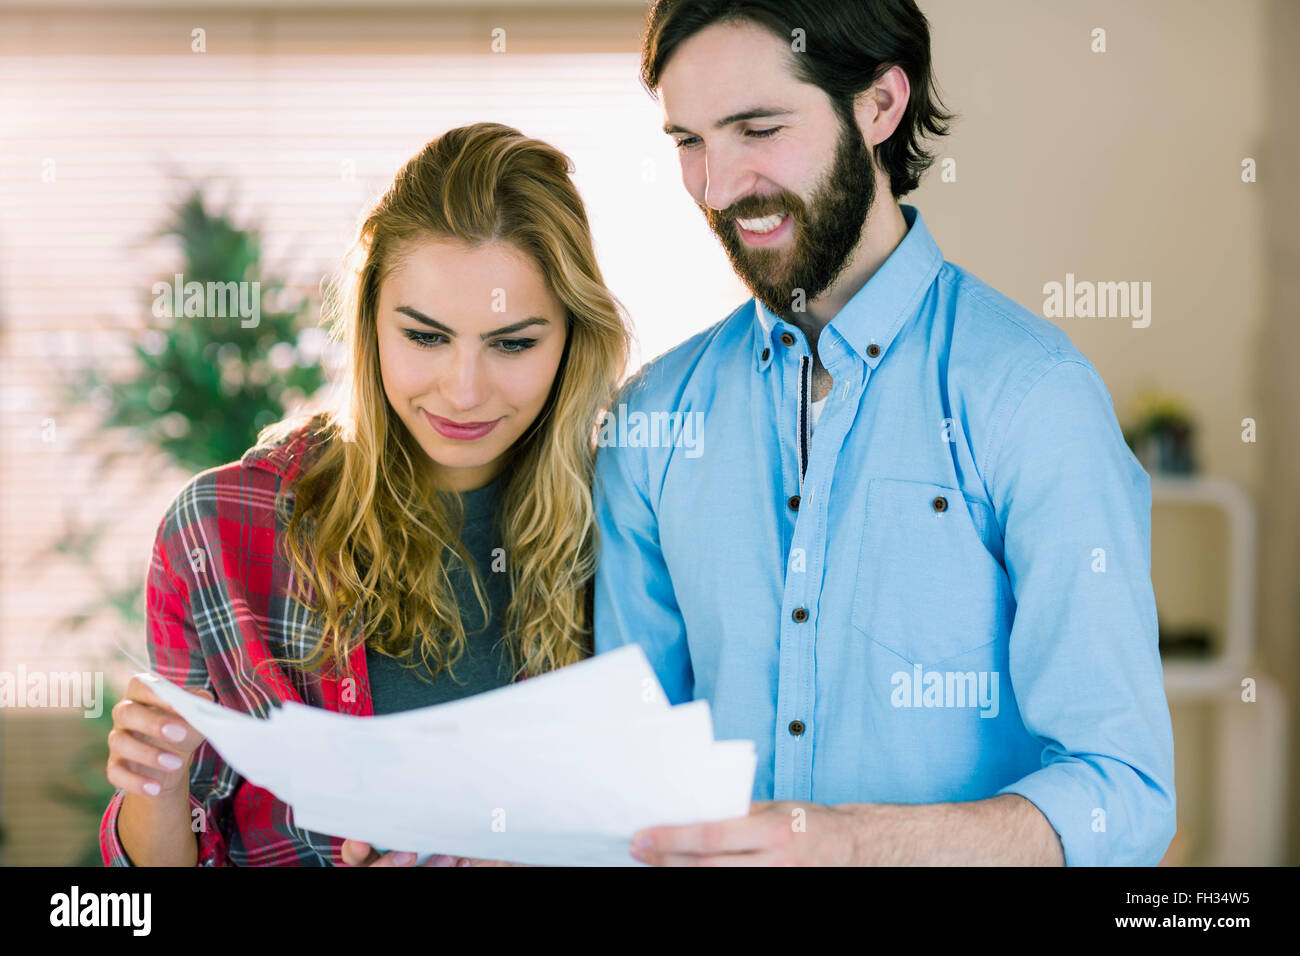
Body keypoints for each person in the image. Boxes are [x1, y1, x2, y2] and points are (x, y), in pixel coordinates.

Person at [595, 0, 1176, 866]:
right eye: (689, 142)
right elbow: (626, 773)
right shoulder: (649, 421)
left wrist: (858, 846)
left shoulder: (1032, 398)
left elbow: (1123, 796)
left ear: (879, 105)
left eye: (757, 128)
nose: (717, 187)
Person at [101, 122, 632, 866]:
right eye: (425, 337)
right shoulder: (220, 533)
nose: (465, 391)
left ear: (574, 339)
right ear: (369, 323)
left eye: (513, 343)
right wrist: (152, 782)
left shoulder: (632, 522)